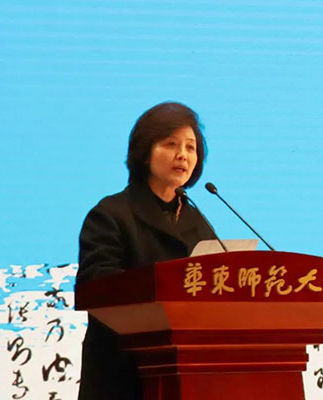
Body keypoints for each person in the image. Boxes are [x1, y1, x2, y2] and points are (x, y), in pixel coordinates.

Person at [75, 101, 216, 400]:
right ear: (145, 152)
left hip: (187, 374)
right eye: (171, 144)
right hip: (123, 374)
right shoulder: (111, 214)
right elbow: (96, 287)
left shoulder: (196, 220)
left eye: (191, 147)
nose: (183, 155)